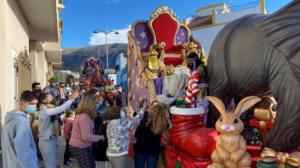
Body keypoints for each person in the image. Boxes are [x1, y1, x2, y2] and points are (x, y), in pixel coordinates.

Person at [38, 90, 79, 168]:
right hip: (46, 141)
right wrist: (72, 99)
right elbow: (60, 109)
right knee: (50, 165)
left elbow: (60, 107)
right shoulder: (44, 111)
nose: (52, 96)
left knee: (52, 163)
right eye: (49, 96)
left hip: (50, 139)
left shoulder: (48, 108)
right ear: (45, 100)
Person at [1, 90, 39, 168]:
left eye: (35, 104)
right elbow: (24, 152)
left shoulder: (10, 118)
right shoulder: (21, 121)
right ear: (21, 103)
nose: (34, 107)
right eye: (31, 104)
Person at [106, 101, 147, 168]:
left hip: (110, 152)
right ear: (118, 113)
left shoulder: (110, 123)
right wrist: (142, 110)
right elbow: (136, 120)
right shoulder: (122, 122)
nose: (123, 112)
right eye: (121, 111)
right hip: (119, 153)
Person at [70, 93, 105, 168]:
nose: (97, 105)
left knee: (91, 165)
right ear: (90, 104)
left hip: (82, 145)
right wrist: (100, 137)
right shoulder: (84, 117)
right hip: (79, 146)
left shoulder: (84, 115)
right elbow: (86, 137)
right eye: (96, 103)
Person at [134, 102, 169, 168]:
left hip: (139, 147)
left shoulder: (145, 116)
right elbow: (169, 126)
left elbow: (135, 119)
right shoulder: (163, 122)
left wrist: (143, 109)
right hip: (153, 149)